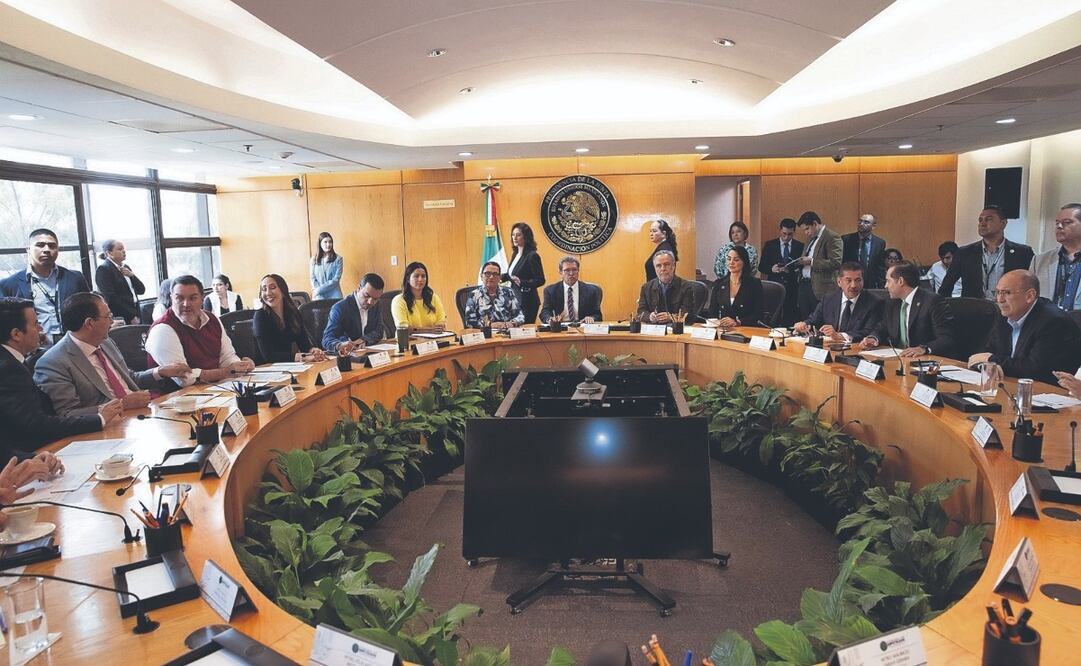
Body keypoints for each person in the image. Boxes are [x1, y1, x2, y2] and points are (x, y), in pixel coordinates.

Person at [0, 297, 120, 459]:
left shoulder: (12, 361)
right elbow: (33, 424)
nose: (42, 329)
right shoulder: (8, 368)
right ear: (16, 334)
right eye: (36, 324)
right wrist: (98, 419)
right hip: (25, 458)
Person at [34, 292, 189, 415]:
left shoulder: (105, 342)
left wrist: (160, 371)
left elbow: (130, 378)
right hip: (106, 428)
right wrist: (121, 404)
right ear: (89, 323)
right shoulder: (54, 362)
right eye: (108, 317)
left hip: (141, 412)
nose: (112, 322)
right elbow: (67, 414)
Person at [967, 270, 1081, 384]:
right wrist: (987, 365)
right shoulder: (1006, 314)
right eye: (997, 292)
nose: (999, 300)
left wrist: (991, 360)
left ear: (1030, 296)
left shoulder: (1053, 321)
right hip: (1009, 385)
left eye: (1006, 293)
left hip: (1048, 393)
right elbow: (985, 352)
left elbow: (1034, 369)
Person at [145, 275, 255, 389]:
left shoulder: (212, 319)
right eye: (179, 298)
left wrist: (241, 367)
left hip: (213, 390)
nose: (186, 304)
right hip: (172, 398)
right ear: (171, 298)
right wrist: (226, 372)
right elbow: (184, 378)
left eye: (193, 298)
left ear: (202, 298)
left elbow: (227, 358)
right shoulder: (163, 328)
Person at [0, 228, 90, 346]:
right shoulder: (9, 284)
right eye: (40, 245)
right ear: (28, 249)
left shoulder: (75, 278)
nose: (46, 250)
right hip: (33, 349)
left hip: (74, 344)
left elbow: (89, 310)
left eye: (52, 246)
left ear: (58, 249)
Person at [938, 205, 1035, 300]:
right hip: (974, 311)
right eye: (980, 220)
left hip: (1009, 311)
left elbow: (1033, 286)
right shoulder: (964, 253)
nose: (982, 223)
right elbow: (946, 288)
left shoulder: (1023, 253)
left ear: (1003, 223)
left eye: (988, 219)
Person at [864, 261, 956, 358]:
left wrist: (924, 349)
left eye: (888, 281)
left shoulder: (932, 301)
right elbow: (882, 328)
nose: (885, 286)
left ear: (900, 281)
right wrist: (873, 338)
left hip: (925, 361)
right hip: (899, 359)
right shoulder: (893, 302)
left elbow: (947, 338)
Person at [794, 262, 883, 343]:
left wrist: (839, 336)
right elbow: (814, 320)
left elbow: (869, 332)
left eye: (858, 280)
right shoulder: (828, 299)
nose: (853, 285)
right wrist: (804, 325)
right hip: (829, 348)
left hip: (856, 351)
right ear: (839, 282)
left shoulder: (874, 302)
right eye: (848, 280)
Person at [253, 274, 327, 363]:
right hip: (266, 369)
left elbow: (304, 345)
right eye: (264, 289)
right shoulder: (260, 316)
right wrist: (303, 357)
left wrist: (313, 351)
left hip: (287, 367)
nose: (268, 293)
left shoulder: (293, 313)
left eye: (272, 287)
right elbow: (268, 356)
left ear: (283, 291)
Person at [1032, 203, 1081, 311]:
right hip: (1049, 324)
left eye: (1067, 222)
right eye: (1057, 223)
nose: (1059, 226)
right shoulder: (1039, 260)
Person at [795, 211, 843, 319]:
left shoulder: (832, 237)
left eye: (807, 229)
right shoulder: (811, 238)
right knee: (805, 321)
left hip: (822, 287)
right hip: (804, 285)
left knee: (821, 322)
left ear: (815, 223)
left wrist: (811, 261)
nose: (806, 233)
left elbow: (835, 262)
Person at [323, 274, 385, 354]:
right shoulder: (340, 308)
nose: (370, 302)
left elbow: (379, 330)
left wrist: (364, 340)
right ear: (359, 288)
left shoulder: (376, 305)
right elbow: (327, 339)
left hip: (368, 353)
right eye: (366, 296)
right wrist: (339, 345)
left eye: (375, 299)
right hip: (346, 356)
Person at [758, 218, 804, 326]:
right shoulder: (770, 245)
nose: (786, 237)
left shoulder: (800, 246)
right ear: (780, 230)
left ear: (794, 232)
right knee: (773, 315)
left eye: (790, 234)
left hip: (792, 287)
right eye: (784, 234)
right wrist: (771, 269)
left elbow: (801, 267)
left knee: (790, 317)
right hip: (774, 285)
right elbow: (761, 267)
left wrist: (791, 270)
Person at [708, 245, 763, 327]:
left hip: (746, 329)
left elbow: (758, 313)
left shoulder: (754, 284)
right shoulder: (719, 283)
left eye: (736, 260)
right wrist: (717, 322)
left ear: (744, 262)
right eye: (729, 259)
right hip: (723, 329)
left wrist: (738, 322)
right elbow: (712, 312)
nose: (731, 263)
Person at [94, 239, 146, 324]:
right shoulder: (103, 269)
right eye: (120, 249)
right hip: (121, 316)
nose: (124, 251)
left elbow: (141, 290)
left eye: (123, 248)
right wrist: (131, 316)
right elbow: (111, 298)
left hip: (136, 311)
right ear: (109, 253)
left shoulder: (126, 267)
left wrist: (132, 276)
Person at [637, 250, 696, 323]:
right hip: (654, 330)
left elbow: (688, 313)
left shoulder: (686, 287)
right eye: (658, 266)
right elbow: (640, 312)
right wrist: (650, 317)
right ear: (655, 268)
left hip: (677, 329)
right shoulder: (646, 288)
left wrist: (671, 317)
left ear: (673, 266)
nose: (663, 269)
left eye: (666, 264)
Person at [502, 222, 544, 323]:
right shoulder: (515, 254)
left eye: (518, 235)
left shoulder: (532, 256)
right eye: (513, 235)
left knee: (524, 332)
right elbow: (512, 275)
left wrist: (522, 282)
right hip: (514, 299)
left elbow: (540, 280)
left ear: (526, 237)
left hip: (528, 301)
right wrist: (500, 277)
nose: (514, 238)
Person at [540, 256, 603, 323]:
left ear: (578, 271)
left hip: (582, 326)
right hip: (561, 327)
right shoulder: (551, 290)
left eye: (574, 270)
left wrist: (591, 318)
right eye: (567, 270)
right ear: (560, 272)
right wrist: (550, 319)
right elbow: (545, 312)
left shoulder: (591, 290)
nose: (571, 273)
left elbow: (597, 315)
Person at [465, 262, 524, 329]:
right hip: (485, 334)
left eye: (495, 274)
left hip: (506, 333)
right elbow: (469, 321)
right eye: (487, 274)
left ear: (500, 278)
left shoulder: (508, 292)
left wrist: (512, 323)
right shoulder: (474, 295)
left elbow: (520, 315)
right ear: (481, 276)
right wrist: (489, 325)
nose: (491, 277)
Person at [391, 262, 447, 331]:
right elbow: (403, 328)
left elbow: (441, 321)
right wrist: (431, 329)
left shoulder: (433, 297)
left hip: (433, 339)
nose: (420, 279)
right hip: (409, 340)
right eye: (416, 276)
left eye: (423, 276)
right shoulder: (399, 300)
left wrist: (439, 327)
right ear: (408, 279)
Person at [842, 214, 887, 288]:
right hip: (851, 281)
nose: (861, 224)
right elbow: (843, 263)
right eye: (860, 221)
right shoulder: (846, 239)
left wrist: (882, 287)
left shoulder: (879, 243)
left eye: (866, 222)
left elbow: (880, 267)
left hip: (870, 283)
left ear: (873, 226)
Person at [310, 231, 343, 300]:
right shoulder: (313, 259)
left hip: (334, 294)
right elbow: (313, 278)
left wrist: (318, 290)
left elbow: (335, 280)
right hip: (318, 296)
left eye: (330, 242)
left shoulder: (338, 259)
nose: (328, 244)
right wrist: (317, 291)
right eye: (325, 242)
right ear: (320, 244)